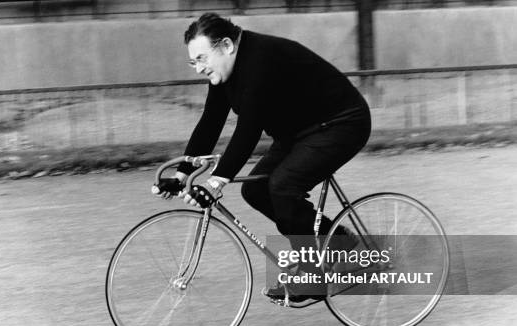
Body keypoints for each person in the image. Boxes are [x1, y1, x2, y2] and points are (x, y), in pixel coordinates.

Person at [152, 12, 371, 303]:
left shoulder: (260, 60)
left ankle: (314, 277)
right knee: (255, 189)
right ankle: (337, 242)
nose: (198, 69)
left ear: (226, 45)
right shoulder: (224, 73)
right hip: (300, 131)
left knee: (282, 186)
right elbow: (211, 121)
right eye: (193, 62)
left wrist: (216, 182)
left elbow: (249, 129)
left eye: (202, 59)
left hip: (342, 122)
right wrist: (181, 175)